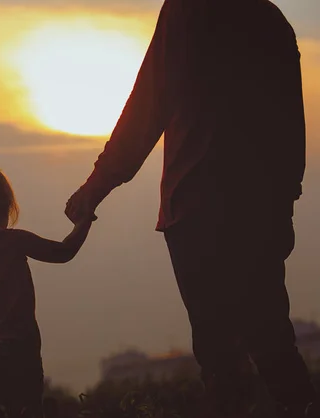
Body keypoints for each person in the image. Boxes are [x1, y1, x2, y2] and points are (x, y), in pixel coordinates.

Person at [65, 0, 318, 417]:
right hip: (257, 212)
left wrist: (94, 190)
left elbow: (145, 110)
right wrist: (284, 206)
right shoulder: (273, 21)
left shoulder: (187, 9)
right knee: (271, 338)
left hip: (196, 208)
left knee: (220, 358)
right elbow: (292, 128)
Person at [0, 162, 96, 418]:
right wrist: (85, 220)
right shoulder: (16, 242)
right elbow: (64, 251)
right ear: (7, 205)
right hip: (18, 354)